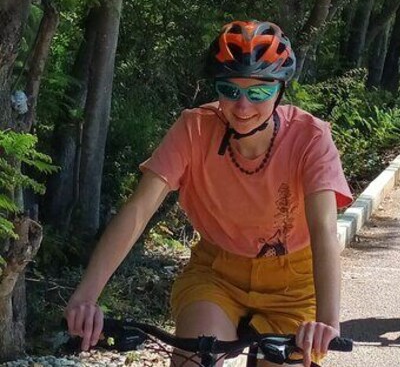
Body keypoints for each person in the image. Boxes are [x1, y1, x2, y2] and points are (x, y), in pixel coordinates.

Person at [65, 20, 353, 367]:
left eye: (259, 92)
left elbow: (323, 231)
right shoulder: (195, 128)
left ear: (280, 90)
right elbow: (140, 210)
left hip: (294, 282)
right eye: (230, 91)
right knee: (195, 358)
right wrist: (86, 296)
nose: (243, 106)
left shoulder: (310, 138)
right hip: (218, 272)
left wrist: (326, 321)